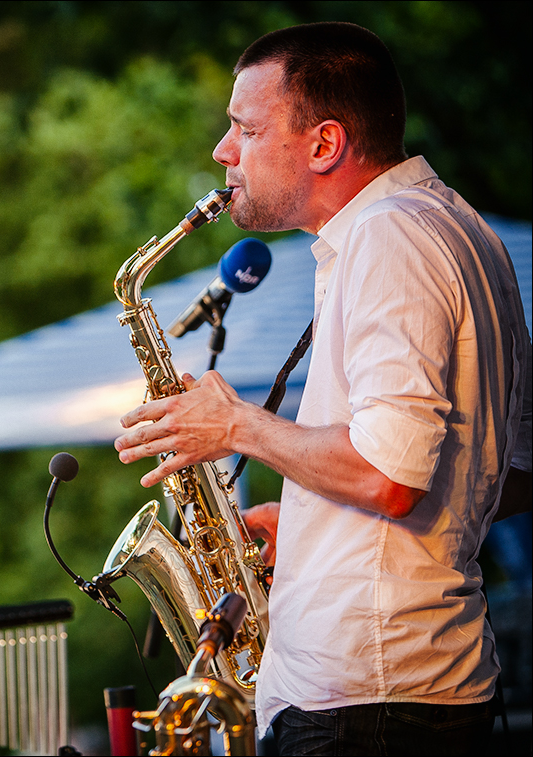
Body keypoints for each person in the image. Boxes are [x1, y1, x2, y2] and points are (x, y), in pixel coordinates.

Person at [112, 22, 530, 756]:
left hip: (367, 705)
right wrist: (310, 519)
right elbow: (508, 475)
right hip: (408, 692)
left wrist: (236, 426)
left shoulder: (389, 239)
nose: (223, 150)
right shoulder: (465, 231)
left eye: (245, 127)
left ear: (325, 144)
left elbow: (388, 475)